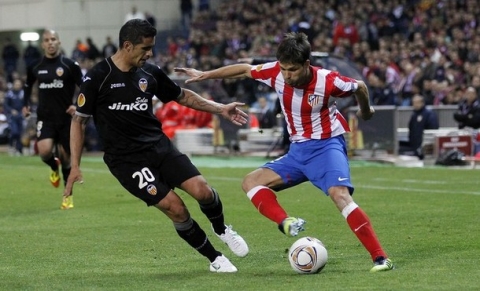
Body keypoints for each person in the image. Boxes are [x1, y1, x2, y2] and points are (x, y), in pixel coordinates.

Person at [175, 32, 394, 273]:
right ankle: (285, 221)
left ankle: (380, 258)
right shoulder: (276, 73)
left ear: (306, 65)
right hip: (297, 152)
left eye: (292, 70)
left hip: (326, 147)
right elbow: (245, 69)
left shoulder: (328, 80)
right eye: (283, 69)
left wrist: (366, 111)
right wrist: (206, 74)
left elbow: (359, 87)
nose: (287, 75)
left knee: (339, 195)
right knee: (251, 182)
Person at [64, 19, 249, 272]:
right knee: (176, 208)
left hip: (160, 147)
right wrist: (75, 165)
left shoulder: (150, 73)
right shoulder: (98, 76)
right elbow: (79, 121)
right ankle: (214, 259)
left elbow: (182, 95)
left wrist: (220, 109)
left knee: (203, 191)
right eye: (145, 48)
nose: (150, 53)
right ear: (127, 45)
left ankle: (222, 229)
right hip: (127, 161)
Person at [22, 29, 83, 209]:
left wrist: (78, 107)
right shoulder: (35, 66)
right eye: (47, 40)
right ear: (42, 44)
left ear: (59, 42)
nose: (50, 42)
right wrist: (25, 104)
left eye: (53, 39)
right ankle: (52, 166)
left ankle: (67, 196)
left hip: (66, 119)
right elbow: (27, 87)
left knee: (66, 158)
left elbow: (86, 88)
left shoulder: (69, 65)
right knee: (44, 151)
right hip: (45, 117)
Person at [399, 94, 439, 159]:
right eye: (414, 103)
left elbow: (433, 129)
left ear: (422, 103)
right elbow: (411, 128)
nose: (415, 105)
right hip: (414, 144)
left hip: (424, 144)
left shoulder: (429, 114)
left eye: (417, 102)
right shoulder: (414, 114)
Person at [4, 79, 26, 155]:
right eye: (16, 84)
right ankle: (11, 146)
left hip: (20, 115)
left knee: (20, 133)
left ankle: (19, 149)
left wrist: (24, 111)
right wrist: (11, 110)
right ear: (13, 85)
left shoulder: (23, 93)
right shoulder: (9, 94)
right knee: (14, 132)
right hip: (12, 116)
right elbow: (6, 105)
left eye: (19, 84)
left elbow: (26, 103)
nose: (17, 86)